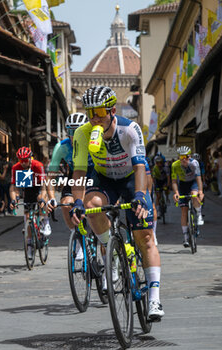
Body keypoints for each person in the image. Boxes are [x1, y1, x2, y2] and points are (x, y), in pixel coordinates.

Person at [69, 86, 164, 321]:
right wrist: (78, 201)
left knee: (145, 238)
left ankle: (154, 298)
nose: (94, 119)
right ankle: (110, 253)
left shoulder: (129, 129)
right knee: (92, 206)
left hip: (132, 178)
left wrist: (141, 195)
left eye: (99, 112)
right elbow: (79, 170)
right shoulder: (82, 133)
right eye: (89, 113)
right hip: (105, 179)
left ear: (112, 110)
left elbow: (140, 166)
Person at [47, 113, 93, 260]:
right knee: (66, 205)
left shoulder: (95, 143)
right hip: (75, 174)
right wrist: (52, 198)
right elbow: (51, 176)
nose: (75, 135)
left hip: (94, 174)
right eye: (72, 132)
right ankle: (78, 237)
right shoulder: (61, 147)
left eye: (79, 131)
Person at [10, 147, 51, 258]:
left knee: (41, 199)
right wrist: (14, 200)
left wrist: (42, 198)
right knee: (28, 216)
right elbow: (14, 187)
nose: (23, 163)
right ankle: (29, 245)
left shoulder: (38, 165)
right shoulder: (16, 168)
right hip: (27, 188)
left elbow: (43, 186)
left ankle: (45, 221)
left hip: (38, 186)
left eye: (25, 160)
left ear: (30, 158)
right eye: (20, 160)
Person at [172, 146, 204, 247]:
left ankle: (199, 214)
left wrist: (200, 191)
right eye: (181, 157)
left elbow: (199, 178)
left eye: (185, 157)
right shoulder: (174, 165)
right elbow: (174, 181)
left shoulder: (194, 163)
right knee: (184, 211)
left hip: (193, 183)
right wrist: (176, 192)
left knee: (194, 195)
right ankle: (185, 237)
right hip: (182, 185)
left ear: (189, 156)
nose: (183, 159)